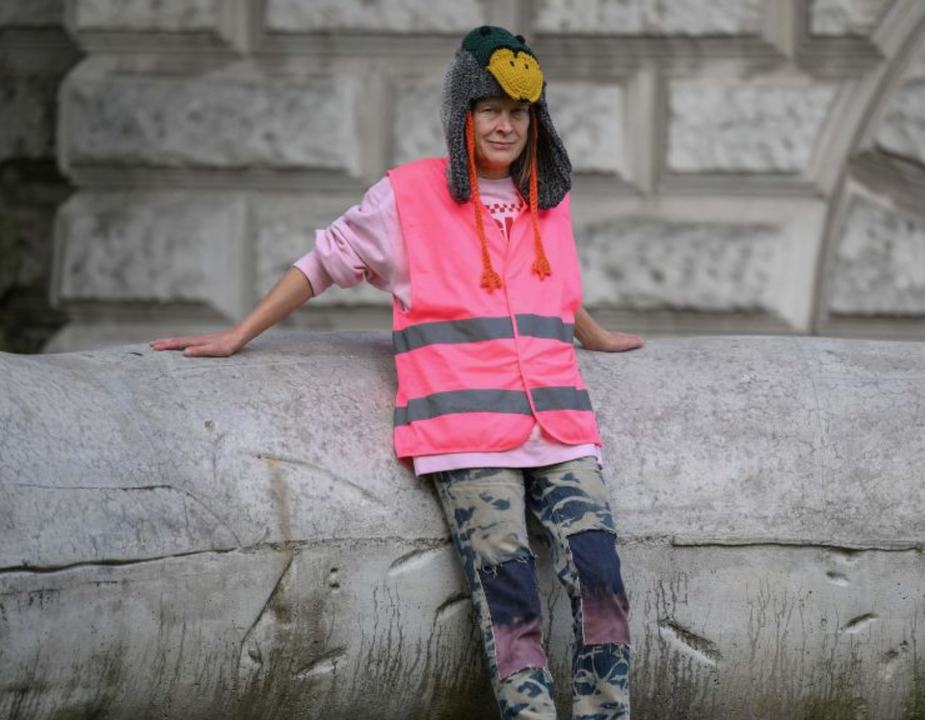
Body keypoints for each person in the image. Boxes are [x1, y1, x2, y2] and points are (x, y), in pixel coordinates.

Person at [152, 25, 643, 720]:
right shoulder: (406, 197)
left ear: (537, 118)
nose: (505, 125)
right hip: (467, 435)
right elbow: (324, 260)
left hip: (560, 423)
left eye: (519, 111)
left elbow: (551, 289)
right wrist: (240, 334)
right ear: (462, 114)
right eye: (490, 109)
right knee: (510, 601)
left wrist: (594, 335)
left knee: (601, 576)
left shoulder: (549, 195)